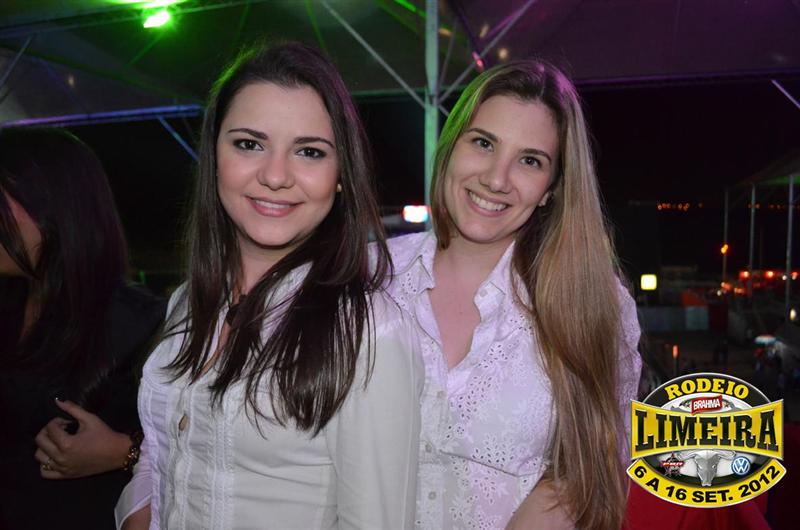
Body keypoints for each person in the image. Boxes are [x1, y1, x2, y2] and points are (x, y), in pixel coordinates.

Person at [115, 43, 422, 530]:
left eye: (309, 152)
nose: (275, 176)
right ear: (214, 156)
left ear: (340, 175)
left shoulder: (368, 335)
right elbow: (166, 445)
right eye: (249, 144)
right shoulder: (187, 303)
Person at [385, 60, 642, 530]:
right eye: (483, 143)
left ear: (551, 189)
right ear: (451, 147)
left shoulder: (592, 300)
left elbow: (594, 466)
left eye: (530, 161)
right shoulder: (369, 276)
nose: (497, 179)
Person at [0, 128, 165, 529]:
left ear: (51, 205)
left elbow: (205, 450)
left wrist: (123, 453)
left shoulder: (143, 324)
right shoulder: (9, 302)